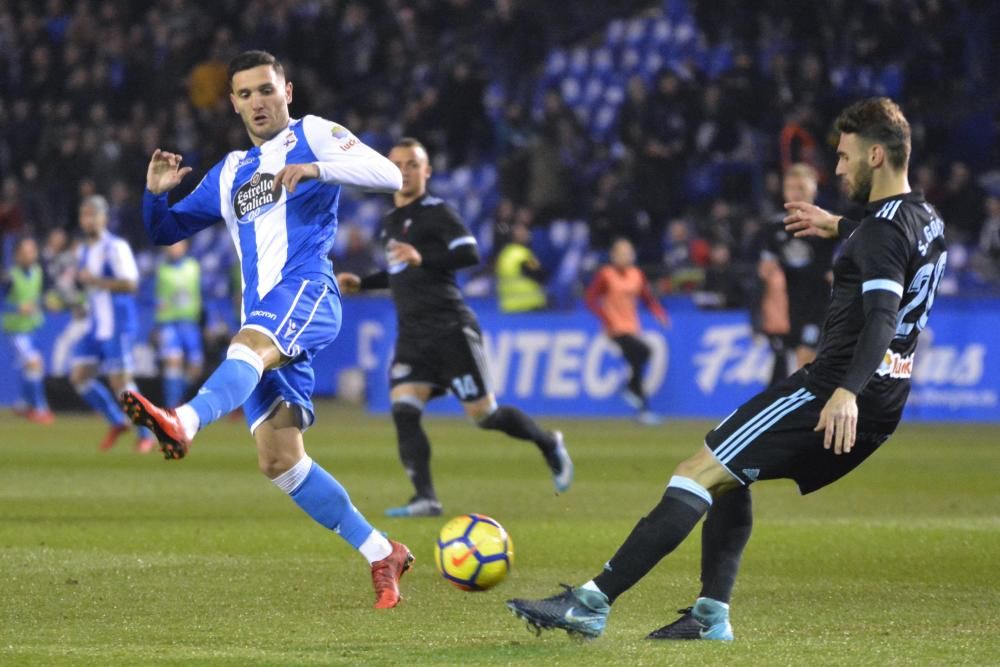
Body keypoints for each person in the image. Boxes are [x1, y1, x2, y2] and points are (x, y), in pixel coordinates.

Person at [507, 97, 947, 641]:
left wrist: (845, 392)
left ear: (875, 156)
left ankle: (590, 604)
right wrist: (836, 224)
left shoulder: (879, 234)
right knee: (731, 475)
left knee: (697, 471)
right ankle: (710, 617)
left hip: (833, 389)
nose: (837, 168)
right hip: (888, 397)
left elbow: (881, 313)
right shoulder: (924, 219)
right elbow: (887, 241)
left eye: (844, 157)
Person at [119, 50, 413, 609]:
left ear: (288, 92)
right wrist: (155, 194)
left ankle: (182, 421)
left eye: (267, 90)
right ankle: (382, 551)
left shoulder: (314, 134)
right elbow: (164, 231)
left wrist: (319, 169)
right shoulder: (230, 171)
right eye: (246, 94)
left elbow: (391, 175)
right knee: (279, 459)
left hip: (308, 290)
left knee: (247, 346)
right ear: (233, 103)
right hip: (263, 314)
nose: (258, 102)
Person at [338, 138, 573, 518]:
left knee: (485, 416)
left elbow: (469, 252)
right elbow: (401, 272)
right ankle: (425, 498)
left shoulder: (437, 212)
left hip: (450, 328)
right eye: (397, 164)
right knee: (404, 409)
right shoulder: (390, 223)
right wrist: (364, 283)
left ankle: (549, 443)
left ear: (427, 171)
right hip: (413, 335)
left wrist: (423, 257)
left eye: (413, 164)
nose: (404, 171)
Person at [69, 195, 155, 453]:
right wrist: (81, 304)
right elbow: (90, 290)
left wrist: (94, 281)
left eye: (93, 215)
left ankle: (145, 433)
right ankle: (117, 421)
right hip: (96, 325)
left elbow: (131, 284)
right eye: (85, 215)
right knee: (79, 376)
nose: (88, 220)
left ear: (104, 218)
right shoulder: (83, 250)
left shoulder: (116, 247)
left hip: (118, 323)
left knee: (120, 382)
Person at [756, 164, 837, 385]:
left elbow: (839, 265)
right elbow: (765, 270)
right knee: (781, 367)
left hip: (817, 305)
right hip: (784, 309)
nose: (796, 193)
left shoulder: (829, 225)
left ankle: (806, 403)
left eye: (801, 187)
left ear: (814, 190)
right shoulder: (773, 228)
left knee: (805, 359)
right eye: (791, 188)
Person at [584, 238, 669, 424]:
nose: (627, 256)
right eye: (622, 253)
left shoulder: (636, 275)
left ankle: (639, 405)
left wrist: (659, 314)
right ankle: (636, 397)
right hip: (615, 329)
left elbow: (647, 298)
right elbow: (590, 299)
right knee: (643, 352)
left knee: (637, 363)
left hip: (631, 326)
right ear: (613, 256)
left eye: (629, 253)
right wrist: (606, 319)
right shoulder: (606, 275)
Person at [2, 237, 54, 423]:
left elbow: (40, 296)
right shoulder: (9, 277)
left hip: (34, 328)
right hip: (16, 331)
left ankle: (22, 404)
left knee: (32, 368)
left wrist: (48, 302)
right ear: (17, 255)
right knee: (33, 364)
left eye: (32, 252)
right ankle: (40, 408)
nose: (30, 256)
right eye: (25, 252)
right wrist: (16, 308)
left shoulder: (38, 272)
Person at [155, 240, 203, 408]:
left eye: (177, 244)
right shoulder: (161, 270)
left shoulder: (194, 267)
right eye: (170, 245)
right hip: (169, 323)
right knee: (173, 362)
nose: (173, 248)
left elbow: (203, 292)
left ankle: (176, 399)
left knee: (195, 368)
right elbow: (153, 297)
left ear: (185, 246)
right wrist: (155, 325)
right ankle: (171, 407)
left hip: (190, 323)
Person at [495, 221, 546, 313]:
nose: (526, 234)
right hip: (528, 306)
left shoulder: (504, 254)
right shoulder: (522, 255)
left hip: (509, 307)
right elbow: (539, 275)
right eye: (523, 232)